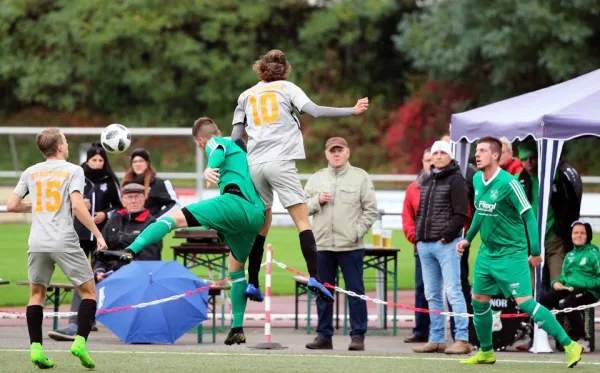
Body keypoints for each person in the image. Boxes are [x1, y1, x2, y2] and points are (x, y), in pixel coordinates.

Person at [230, 49, 369, 304]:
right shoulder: (286, 88)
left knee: (262, 225)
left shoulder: (246, 95)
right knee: (302, 221)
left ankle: (252, 283)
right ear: (285, 69)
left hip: (255, 164)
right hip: (281, 161)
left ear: (260, 69)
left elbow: (236, 137)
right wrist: (351, 110)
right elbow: (314, 111)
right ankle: (315, 277)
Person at [114, 117, 265, 346]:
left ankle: (130, 250)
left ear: (199, 141)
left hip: (235, 203)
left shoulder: (216, 142)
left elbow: (218, 149)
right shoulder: (241, 152)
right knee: (236, 270)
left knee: (172, 219)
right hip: (256, 216)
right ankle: (237, 327)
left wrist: (210, 168)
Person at [456, 136, 584, 368]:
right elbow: (480, 212)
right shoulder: (476, 179)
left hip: (512, 254)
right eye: (477, 150)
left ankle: (569, 344)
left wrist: (535, 251)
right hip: (487, 253)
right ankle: (486, 352)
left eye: (483, 150)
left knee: (525, 303)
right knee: (478, 300)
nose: (477, 154)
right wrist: (467, 240)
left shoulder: (509, 183)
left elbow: (529, 216)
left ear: (495, 155)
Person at [7, 128, 107, 369]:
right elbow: (77, 206)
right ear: (60, 147)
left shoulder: (31, 172)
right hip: (64, 240)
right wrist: (97, 234)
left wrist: (38, 205)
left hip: (37, 242)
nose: (67, 144)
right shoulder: (74, 170)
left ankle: (36, 349)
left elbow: (11, 205)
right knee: (89, 292)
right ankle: (80, 343)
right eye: (65, 140)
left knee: (36, 295)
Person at [303, 137, 378, 351]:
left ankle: (358, 336)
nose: (336, 154)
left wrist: (356, 232)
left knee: (355, 292)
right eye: (332, 151)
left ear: (348, 152)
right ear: (326, 154)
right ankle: (324, 336)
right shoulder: (316, 178)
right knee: (323, 294)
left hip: (351, 247)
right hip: (323, 246)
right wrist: (317, 200)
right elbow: (302, 208)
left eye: (340, 150)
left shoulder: (360, 177)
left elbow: (370, 210)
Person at [49, 143, 121, 341]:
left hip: (102, 236)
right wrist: (79, 205)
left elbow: (118, 205)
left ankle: (92, 318)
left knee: (99, 274)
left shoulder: (110, 180)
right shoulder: (78, 177)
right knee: (81, 275)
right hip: (80, 234)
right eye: (93, 160)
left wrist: (104, 214)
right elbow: (64, 201)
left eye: (100, 160)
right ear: (87, 160)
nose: (97, 164)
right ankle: (76, 319)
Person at [413, 140, 470, 354]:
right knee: (432, 294)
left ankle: (462, 339)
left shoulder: (456, 180)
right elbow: (420, 213)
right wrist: (419, 238)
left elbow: (461, 214)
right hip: (425, 245)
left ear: (449, 156)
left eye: (442, 153)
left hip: (445, 244)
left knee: (454, 292)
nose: (437, 156)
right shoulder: (427, 181)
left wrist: (446, 237)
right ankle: (436, 338)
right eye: (435, 153)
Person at [540, 221, 600, 351]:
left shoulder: (593, 253)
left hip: (588, 291)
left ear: (588, 235)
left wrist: (584, 284)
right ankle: (545, 335)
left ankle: (583, 339)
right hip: (569, 289)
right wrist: (555, 283)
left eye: (582, 233)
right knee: (544, 300)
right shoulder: (569, 255)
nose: (579, 235)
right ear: (571, 235)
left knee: (568, 303)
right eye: (575, 233)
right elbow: (563, 277)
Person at [402, 147, 431, 343]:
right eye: (427, 159)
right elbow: (407, 217)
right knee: (422, 288)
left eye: (434, 159)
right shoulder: (414, 188)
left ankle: (458, 333)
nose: (430, 163)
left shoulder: (451, 184)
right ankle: (421, 330)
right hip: (421, 247)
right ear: (422, 161)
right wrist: (415, 237)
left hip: (447, 246)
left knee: (454, 289)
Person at [121, 148, 181, 218]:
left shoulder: (158, 184)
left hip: (151, 226)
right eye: (134, 162)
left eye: (141, 161)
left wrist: (156, 221)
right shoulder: (126, 184)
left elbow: (175, 205)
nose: (138, 164)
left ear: (147, 163)